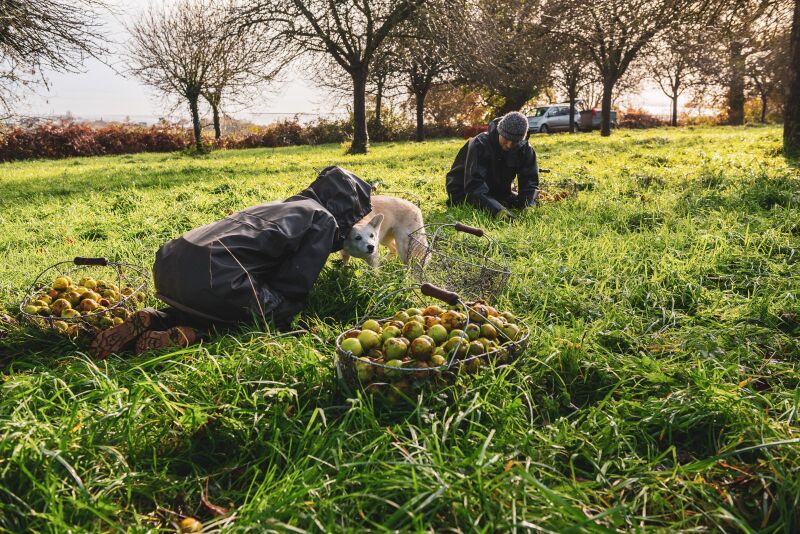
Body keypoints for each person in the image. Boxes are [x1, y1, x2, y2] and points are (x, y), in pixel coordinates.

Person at [90, 166, 372, 359]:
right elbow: (293, 283)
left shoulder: (282, 205)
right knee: (266, 315)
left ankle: (158, 317)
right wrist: (285, 322)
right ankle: (198, 334)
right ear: (348, 207)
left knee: (219, 301)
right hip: (217, 275)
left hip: (170, 264)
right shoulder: (323, 219)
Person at [445, 111, 539, 220]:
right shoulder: (479, 144)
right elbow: (474, 184)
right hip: (464, 191)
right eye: (506, 138)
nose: (509, 145)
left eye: (515, 141)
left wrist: (528, 205)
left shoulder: (525, 149)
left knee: (518, 202)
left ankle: (497, 203)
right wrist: (497, 210)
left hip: (496, 191)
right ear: (500, 132)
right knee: (484, 204)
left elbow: (530, 181)